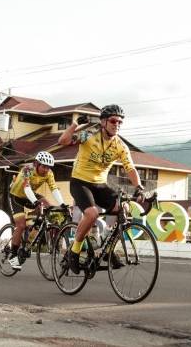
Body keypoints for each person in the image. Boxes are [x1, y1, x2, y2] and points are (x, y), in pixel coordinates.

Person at [58, 104, 144, 274]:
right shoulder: (90, 135)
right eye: (113, 120)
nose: (117, 124)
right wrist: (76, 123)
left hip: (99, 185)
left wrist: (139, 187)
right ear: (104, 121)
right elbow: (63, 141)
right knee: (91, 214)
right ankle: (74, 252)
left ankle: (107, 247)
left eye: (120, 122)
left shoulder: (120, 145)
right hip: (80, 182)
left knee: (123, 209)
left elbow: (130, 169)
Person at [7, 151, 67, 270]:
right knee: (21, 225)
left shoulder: (49, 173)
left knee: (47, 205)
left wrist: (62, 204)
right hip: (16, 196)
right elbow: (26, 187)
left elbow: (54, 189)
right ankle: (13, 255)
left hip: (30, 195)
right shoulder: (28, 169)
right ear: (36, 164)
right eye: (43, 166)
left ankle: (30, 239)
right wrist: (35, 202)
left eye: (48, 167)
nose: (46, 169)